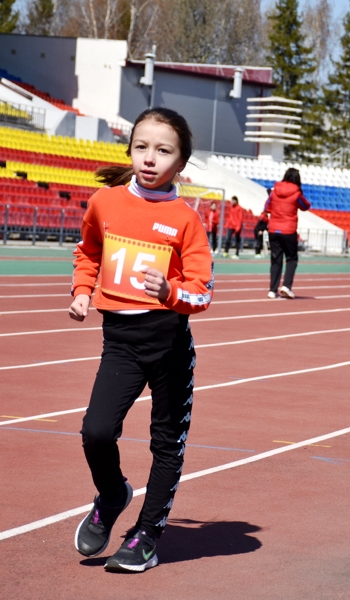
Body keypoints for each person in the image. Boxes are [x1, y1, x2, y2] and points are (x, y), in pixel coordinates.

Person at [68, 107, 213, 573]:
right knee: (96, 431)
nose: (150, 158)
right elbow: (88, 252)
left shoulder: (186, 220)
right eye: (141, 147)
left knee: (166, 443)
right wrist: (81, 292)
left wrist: (170, 291)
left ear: (182, 163)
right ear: (130, 151)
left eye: (163, 150)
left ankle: (146, 535)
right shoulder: (104, 203)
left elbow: (202, 290)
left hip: (169, 346)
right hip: (121, 343)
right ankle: (112, 495)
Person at [265, 168, 311, 298]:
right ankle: (286, 286)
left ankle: (272, 290)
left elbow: (266, 208)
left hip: (273, 229)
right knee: (291, 258)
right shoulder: (296, 193)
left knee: (276, 260)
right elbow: (306, 206)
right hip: (288, 229)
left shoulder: (274, 191)